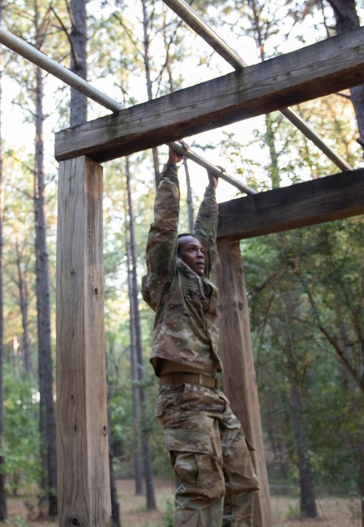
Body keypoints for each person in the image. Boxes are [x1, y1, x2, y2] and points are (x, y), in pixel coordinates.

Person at [141, 145, 259, 527]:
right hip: (184, 400)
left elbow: (205, 234)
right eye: (190, 250)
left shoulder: (201, 287)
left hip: (213, 397)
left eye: (200, 251)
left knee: (242, 483)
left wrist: (211, 189)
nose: (200, 253)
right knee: (203, 491)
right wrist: (172, 170)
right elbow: (164, 228)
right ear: (174, 259)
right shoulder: (165, 280)